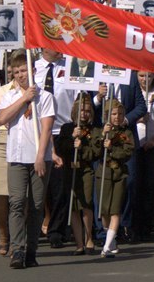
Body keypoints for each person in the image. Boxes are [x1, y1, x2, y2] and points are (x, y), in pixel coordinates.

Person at [0, 50, 54, 269]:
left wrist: (41, 156)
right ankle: (18, 249)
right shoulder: (11, 96)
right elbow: (1, 118)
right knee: (16, 202)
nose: (21, 75)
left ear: (32, 71)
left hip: (39, 157)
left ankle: (31, 249)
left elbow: (46, 128)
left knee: (36, 204)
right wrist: (24, 98)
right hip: (15, 156)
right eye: (16, 72)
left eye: (24, 70)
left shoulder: (46, 96)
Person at [55, 93, 99, 255]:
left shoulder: (93, 130)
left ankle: (89, 239)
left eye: (87, 111)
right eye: (81, 110)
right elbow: (60, 148)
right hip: (70, 169)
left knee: (86, 204)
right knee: (74, 206)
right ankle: (79, 243)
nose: (84, 114)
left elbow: (95, 152)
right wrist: (71, 139)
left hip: (85, 169)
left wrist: (82, 147)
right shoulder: (67, 128)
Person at [92, 98, 136, 258]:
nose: (117, 117)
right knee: (104, 212)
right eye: (114, 114)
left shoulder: (126, 133)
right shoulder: (101, 131)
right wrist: (102, 138)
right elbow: (94, 151)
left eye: (120, 114)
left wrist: (112, 149)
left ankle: (106, 246)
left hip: (118, 174)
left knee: (115, 210)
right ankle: (111, 241)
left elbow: (127, 152)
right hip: (103, 174)